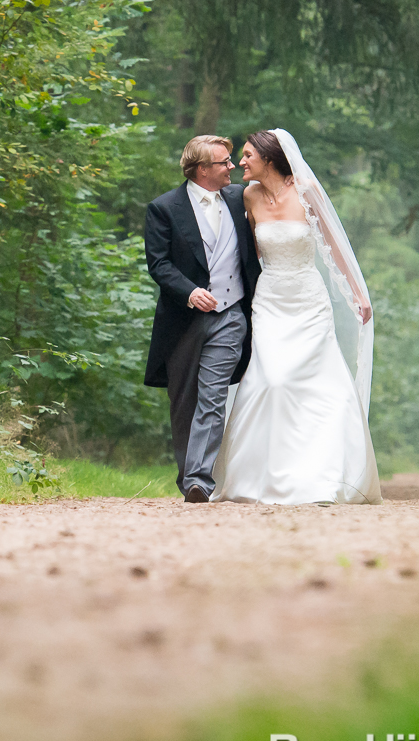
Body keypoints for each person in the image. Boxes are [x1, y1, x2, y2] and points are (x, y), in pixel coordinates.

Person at [212, 129, 382, 505]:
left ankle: (324, 475)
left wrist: (356, 292)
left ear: (269, 159)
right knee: (271, 380)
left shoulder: (306, 191)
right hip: (269, 299)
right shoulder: (248, 196)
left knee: (318, 384)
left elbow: (334, 245)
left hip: (308, 299)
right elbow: (245, 253)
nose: (241, 162)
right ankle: (261, 478)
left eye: (247, 155)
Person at [143, 135, 263, 501]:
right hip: (183, 321)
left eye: (231, 160)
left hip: (231, 317)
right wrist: (189, 291)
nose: (232, 167)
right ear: (201, 170)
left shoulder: (238, 197)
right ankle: (187, 474)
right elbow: (159, 264)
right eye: (224, 162)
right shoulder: (164, 208)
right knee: (184, 402)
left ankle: (199, 480)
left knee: (212, 398)